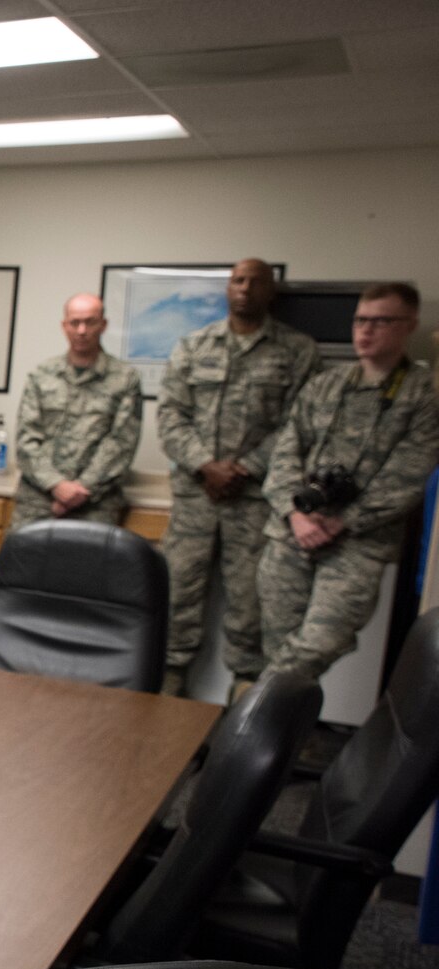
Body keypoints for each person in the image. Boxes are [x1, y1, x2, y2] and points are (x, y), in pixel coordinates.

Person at [257, 283, 439, 681]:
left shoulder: (424, 395)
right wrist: (295, 515)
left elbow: (410, 475)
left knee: (313, 650)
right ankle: (285, 739)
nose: (365, 331)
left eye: (380, 321)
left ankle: (253, 722)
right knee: (277, 645)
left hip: (358, 544)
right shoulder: (324, 385)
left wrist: (344, 520)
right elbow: (285, 454)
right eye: (360, 320)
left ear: (409, 325)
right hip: (292, 533)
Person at [157, 258, 320, 696]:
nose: (244, 288)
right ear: (227, 289)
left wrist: (244, 467)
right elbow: (171, 414)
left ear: (270, 292)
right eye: (237, 280)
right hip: (195, 499)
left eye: (255, 282)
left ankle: (240, 723)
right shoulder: (194, 345)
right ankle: (165, 706)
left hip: (252, 502)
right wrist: (205, 465)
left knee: (250, 611)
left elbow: (299, 425)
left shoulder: (296, 350)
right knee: (175, 600)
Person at [10, 293, 144, 529]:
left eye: (90, 322)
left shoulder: (125, 379)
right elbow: (26, 439)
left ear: (103, 325)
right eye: (75, 322)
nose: (81, 330)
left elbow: (121, 443)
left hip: (94, 504)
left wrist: (80, 490)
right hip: (37, 501)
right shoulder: (42, 375)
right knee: (25, 565)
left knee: (85, 566)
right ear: (64, 326)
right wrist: (56, 485)